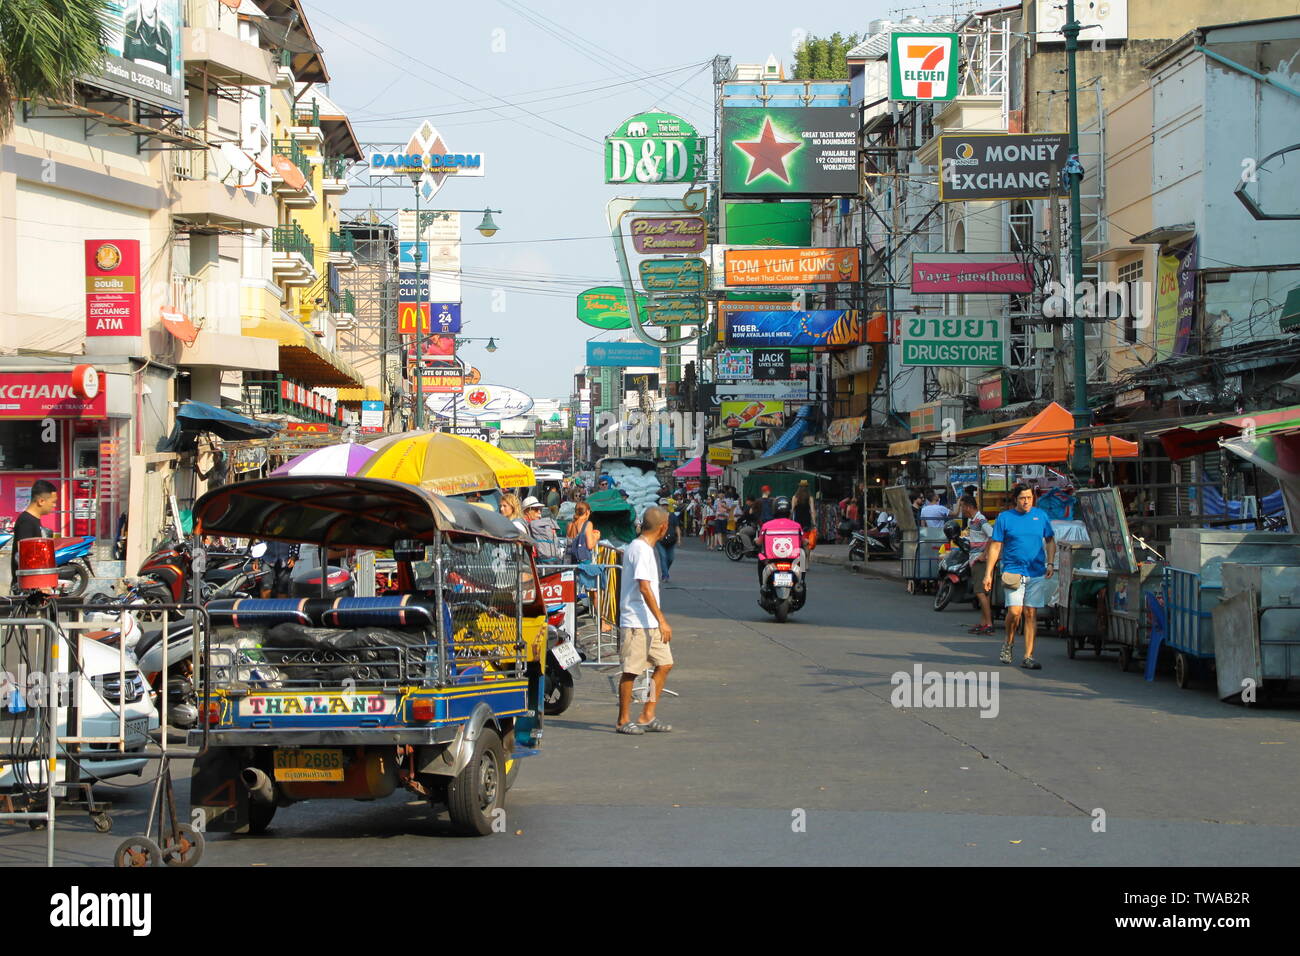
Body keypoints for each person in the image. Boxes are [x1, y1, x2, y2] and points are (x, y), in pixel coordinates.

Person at [982, 484, 1057, 669]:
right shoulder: (1005, 518)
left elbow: (1050, 540)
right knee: (1015, 612)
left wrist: (1050, 562)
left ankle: (1028, 655)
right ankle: (1008, 642)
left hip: (1036, 572)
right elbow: (996, 546)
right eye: (1023, 498)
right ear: (1015, 498)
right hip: (1013, 571)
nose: (1026, 501)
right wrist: (988, 574)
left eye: (1029, 498)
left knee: (1031, 613)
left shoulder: (1041, 516)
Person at [616, 507, 674, 735]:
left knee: (665, 663)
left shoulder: (647, 549)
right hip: (636, 620)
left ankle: (647, 714)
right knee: (631, 670)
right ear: (663, 527)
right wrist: (662, 620)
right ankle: (623, 719)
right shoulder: (640, 549)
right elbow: (644, 587)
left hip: (649, 621)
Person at [11, 479, 57, 589]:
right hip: (28, 586)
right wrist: (38, 585)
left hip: (36, 584)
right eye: (53, 502)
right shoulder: (26, 521)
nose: (54, 506)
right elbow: (21, 556)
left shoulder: (34, 520)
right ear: (41, 501)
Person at [959, 494, 994, 635]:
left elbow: (992, 535)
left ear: (968, 506)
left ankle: (989, 624)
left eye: (962, 506)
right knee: (980, 593)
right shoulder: (972, 521)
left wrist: (984, 554)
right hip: (974, 559)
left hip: (980, 561)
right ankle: (983, 623)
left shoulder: (980, 520)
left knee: (980, 592)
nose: (961, 509)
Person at [755, 495, 805, 585]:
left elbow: (759, 542)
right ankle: (801, 582)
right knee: (802, 556)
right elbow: (803, 541)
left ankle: (763, 585)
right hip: (792, 559)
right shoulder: (797, 525)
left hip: (772, 559)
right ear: (789, 511)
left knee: (760, 557)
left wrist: (755, 541)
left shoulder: (766, 525)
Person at [522, 496, 563, 561]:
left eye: (540, 509)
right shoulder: (522, 526)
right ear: (527, 511)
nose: (539, 512)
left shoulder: (539, 526)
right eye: (536, 509)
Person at [655, 498, 680, 582]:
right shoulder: (656, 516)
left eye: (665, 505)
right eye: (662, 505)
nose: (664, 507)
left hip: (671, 540)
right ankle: (665, 575)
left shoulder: (673, 516)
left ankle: (665, 571)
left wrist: (679, 538)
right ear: (659, 506)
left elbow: (677, 527)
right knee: (663, 557)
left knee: (670, 558)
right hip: (659, 540)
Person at [792, 480, 816, 549]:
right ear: (807, 487)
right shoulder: (810, 497)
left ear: (799, 487)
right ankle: (807, 559)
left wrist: (790, 521)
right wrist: (814, 523)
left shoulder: (795, 497)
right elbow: (812, 511)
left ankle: (798, 555)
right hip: (807, 520)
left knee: (798, 538)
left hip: (797, 521)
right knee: (807, 539)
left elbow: (792, 510)